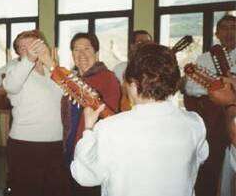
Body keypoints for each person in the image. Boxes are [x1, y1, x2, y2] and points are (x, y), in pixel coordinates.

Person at [70, 44, 208, 196]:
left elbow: (85, 176)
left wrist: (88, 129)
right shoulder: (194, 123)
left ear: (133, 85)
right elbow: (200, 157)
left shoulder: (110, 128)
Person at [3, 30, 70, 196]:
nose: (29, 50)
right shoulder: (15, 69)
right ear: (18, 53)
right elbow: (10, 86)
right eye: (23, 48)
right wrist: (30, 59)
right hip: (25, 144)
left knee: (53, 190)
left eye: (34, 46)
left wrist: (51, 63)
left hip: (55, 143)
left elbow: (71, 90)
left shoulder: (52, 71)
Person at [59, 33, 121, 196]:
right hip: (71, 146)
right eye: (76, 50)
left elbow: (110, 117)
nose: (81, 54)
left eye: (87, 49)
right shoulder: (70, 79)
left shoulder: (108, 77)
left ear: (97, 53)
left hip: (94, 149)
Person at [184, 14, 236, 196]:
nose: (230, 32)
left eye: (233, 27)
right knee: (211, 165)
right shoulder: (205, 58)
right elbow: (190, 87)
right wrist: (219, 90)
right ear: (217, 33)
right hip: (212, 120)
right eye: (225, 28)